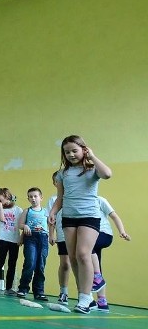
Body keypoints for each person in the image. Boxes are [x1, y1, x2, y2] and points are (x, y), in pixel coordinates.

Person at [49, 135, 112, 314]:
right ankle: (86, 298)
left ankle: (85, 298)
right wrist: (53, 212)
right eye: (66, 152)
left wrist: (92, 156)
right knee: (73, 257)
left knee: (84, 254)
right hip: (69, 217)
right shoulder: (63, 174)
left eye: (74, 150)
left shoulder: (92, 170)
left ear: (84, 150)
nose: (70, 154)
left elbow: (107, 174)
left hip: (89, 217)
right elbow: (60, 198)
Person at [88, 196, 131, 312]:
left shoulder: (100, 200)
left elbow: (114, 216)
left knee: (86, 247)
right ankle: (102, 302)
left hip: (104, 234)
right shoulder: (81, 201)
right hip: (91, 234)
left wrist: (122, 231)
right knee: (93, 264)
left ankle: (97, 278)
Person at [16, 187, 49, 301]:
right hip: (30, 238)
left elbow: (51, 225)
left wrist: (52, 235)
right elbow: (20, 224)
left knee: (40, 265)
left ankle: (39, 291)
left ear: (41, 197)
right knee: (30, 263)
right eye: (31, 197)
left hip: (43, 238)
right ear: (28, 199)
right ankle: (23, 288)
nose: (33, 199)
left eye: (35, 196)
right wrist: (24, 226)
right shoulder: (27, 211)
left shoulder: (46, 211)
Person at [0, 188, 22, 296]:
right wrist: (0, 206)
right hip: (3, 239)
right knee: (0, 261)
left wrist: (21, 238)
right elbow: (2, 219)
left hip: (14, 239)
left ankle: (9, 288)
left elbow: (22, 224)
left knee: (12, 263)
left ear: (6, 196)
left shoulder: (18, 210)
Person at [47, 171, 71, 306]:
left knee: (82, 263)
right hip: (62, 236)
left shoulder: (73, 197)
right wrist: (51, 234)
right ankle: (63, 292)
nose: (59, 182)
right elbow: (51, 219)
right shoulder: (52, 200)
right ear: (55, 183)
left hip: (76, 234)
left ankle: (86, 294)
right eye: (56, 180)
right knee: (65, 264)